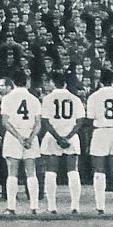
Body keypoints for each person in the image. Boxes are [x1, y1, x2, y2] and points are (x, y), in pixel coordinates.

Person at [39, 71, 86, 214]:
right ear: (64, 83)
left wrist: (59, 138)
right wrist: (69, 136)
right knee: (73, 171)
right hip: (71, 137)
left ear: (53, 83)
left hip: (53, 136)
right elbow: (80, 121)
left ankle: (52, 206)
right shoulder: (75, 98)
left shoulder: (47, 99)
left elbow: (45, 121)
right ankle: (75, 206)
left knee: (51, 171)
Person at [86, 68, 113, 215]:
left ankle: (100, 207)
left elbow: (89, 121)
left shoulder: (93, 97)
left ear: (100, 80)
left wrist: (88, 141)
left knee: (99, 171)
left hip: (100, 131)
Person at [0, 71, 42, 215]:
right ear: (27, 81)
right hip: (30, 134)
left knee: (12, 173)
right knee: (31, 172)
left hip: (13, 136)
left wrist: (18, 137)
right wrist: (29, 138)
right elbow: (38, 123)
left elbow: (5, 122)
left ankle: (11, 208)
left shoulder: (7, 98)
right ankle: (34, 207)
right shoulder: (34, 99)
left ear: (13, 83)